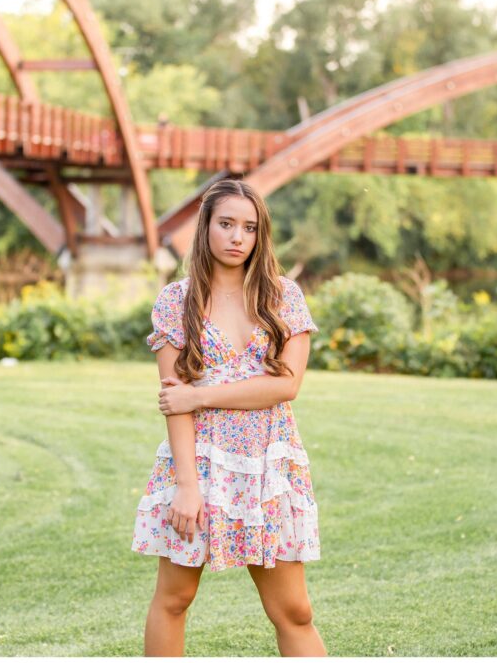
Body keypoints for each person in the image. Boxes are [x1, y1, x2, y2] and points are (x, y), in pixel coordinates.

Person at [130, 178, 327, 656]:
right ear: (206, 228)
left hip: (268, 468)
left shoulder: (283, 298)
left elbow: (286, 386)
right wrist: (186, 485)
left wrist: (200, 397)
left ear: (261, 235)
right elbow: (172, 404)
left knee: (295, 610)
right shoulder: (177, 302)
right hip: (198, 463)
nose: (238, 237)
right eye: (226, 224)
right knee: (175, 599)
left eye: (249, 227)